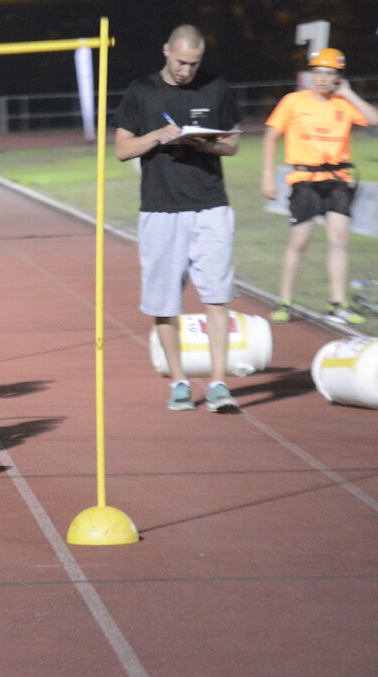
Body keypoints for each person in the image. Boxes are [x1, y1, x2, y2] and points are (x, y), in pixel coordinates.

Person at [113, 24, 242, 413]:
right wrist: (159, 136)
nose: (186, 70)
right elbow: (122, 149)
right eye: (181, 61)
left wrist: (207, 142)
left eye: (194, 63)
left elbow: (234, 143)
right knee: (164, 303)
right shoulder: (142, 91)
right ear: (166, 50)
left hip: (211, 206)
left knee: (217, 298)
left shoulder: (215, 87)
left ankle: (219, 382)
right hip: (160, 209)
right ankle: (179, 381)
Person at [261, 47, 378, 326]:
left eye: (329, 74)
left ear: (338, 77)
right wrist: (267, 175)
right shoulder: (293, 101)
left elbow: (373, 120)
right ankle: (285, 300)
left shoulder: (343, 103)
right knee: (299, 241)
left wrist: (349, 94)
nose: (323, 78)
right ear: (311, 74)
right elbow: (271, 134)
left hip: (337, 181)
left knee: (339, 240)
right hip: (304, 180)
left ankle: (337, 303)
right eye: (319, 73)